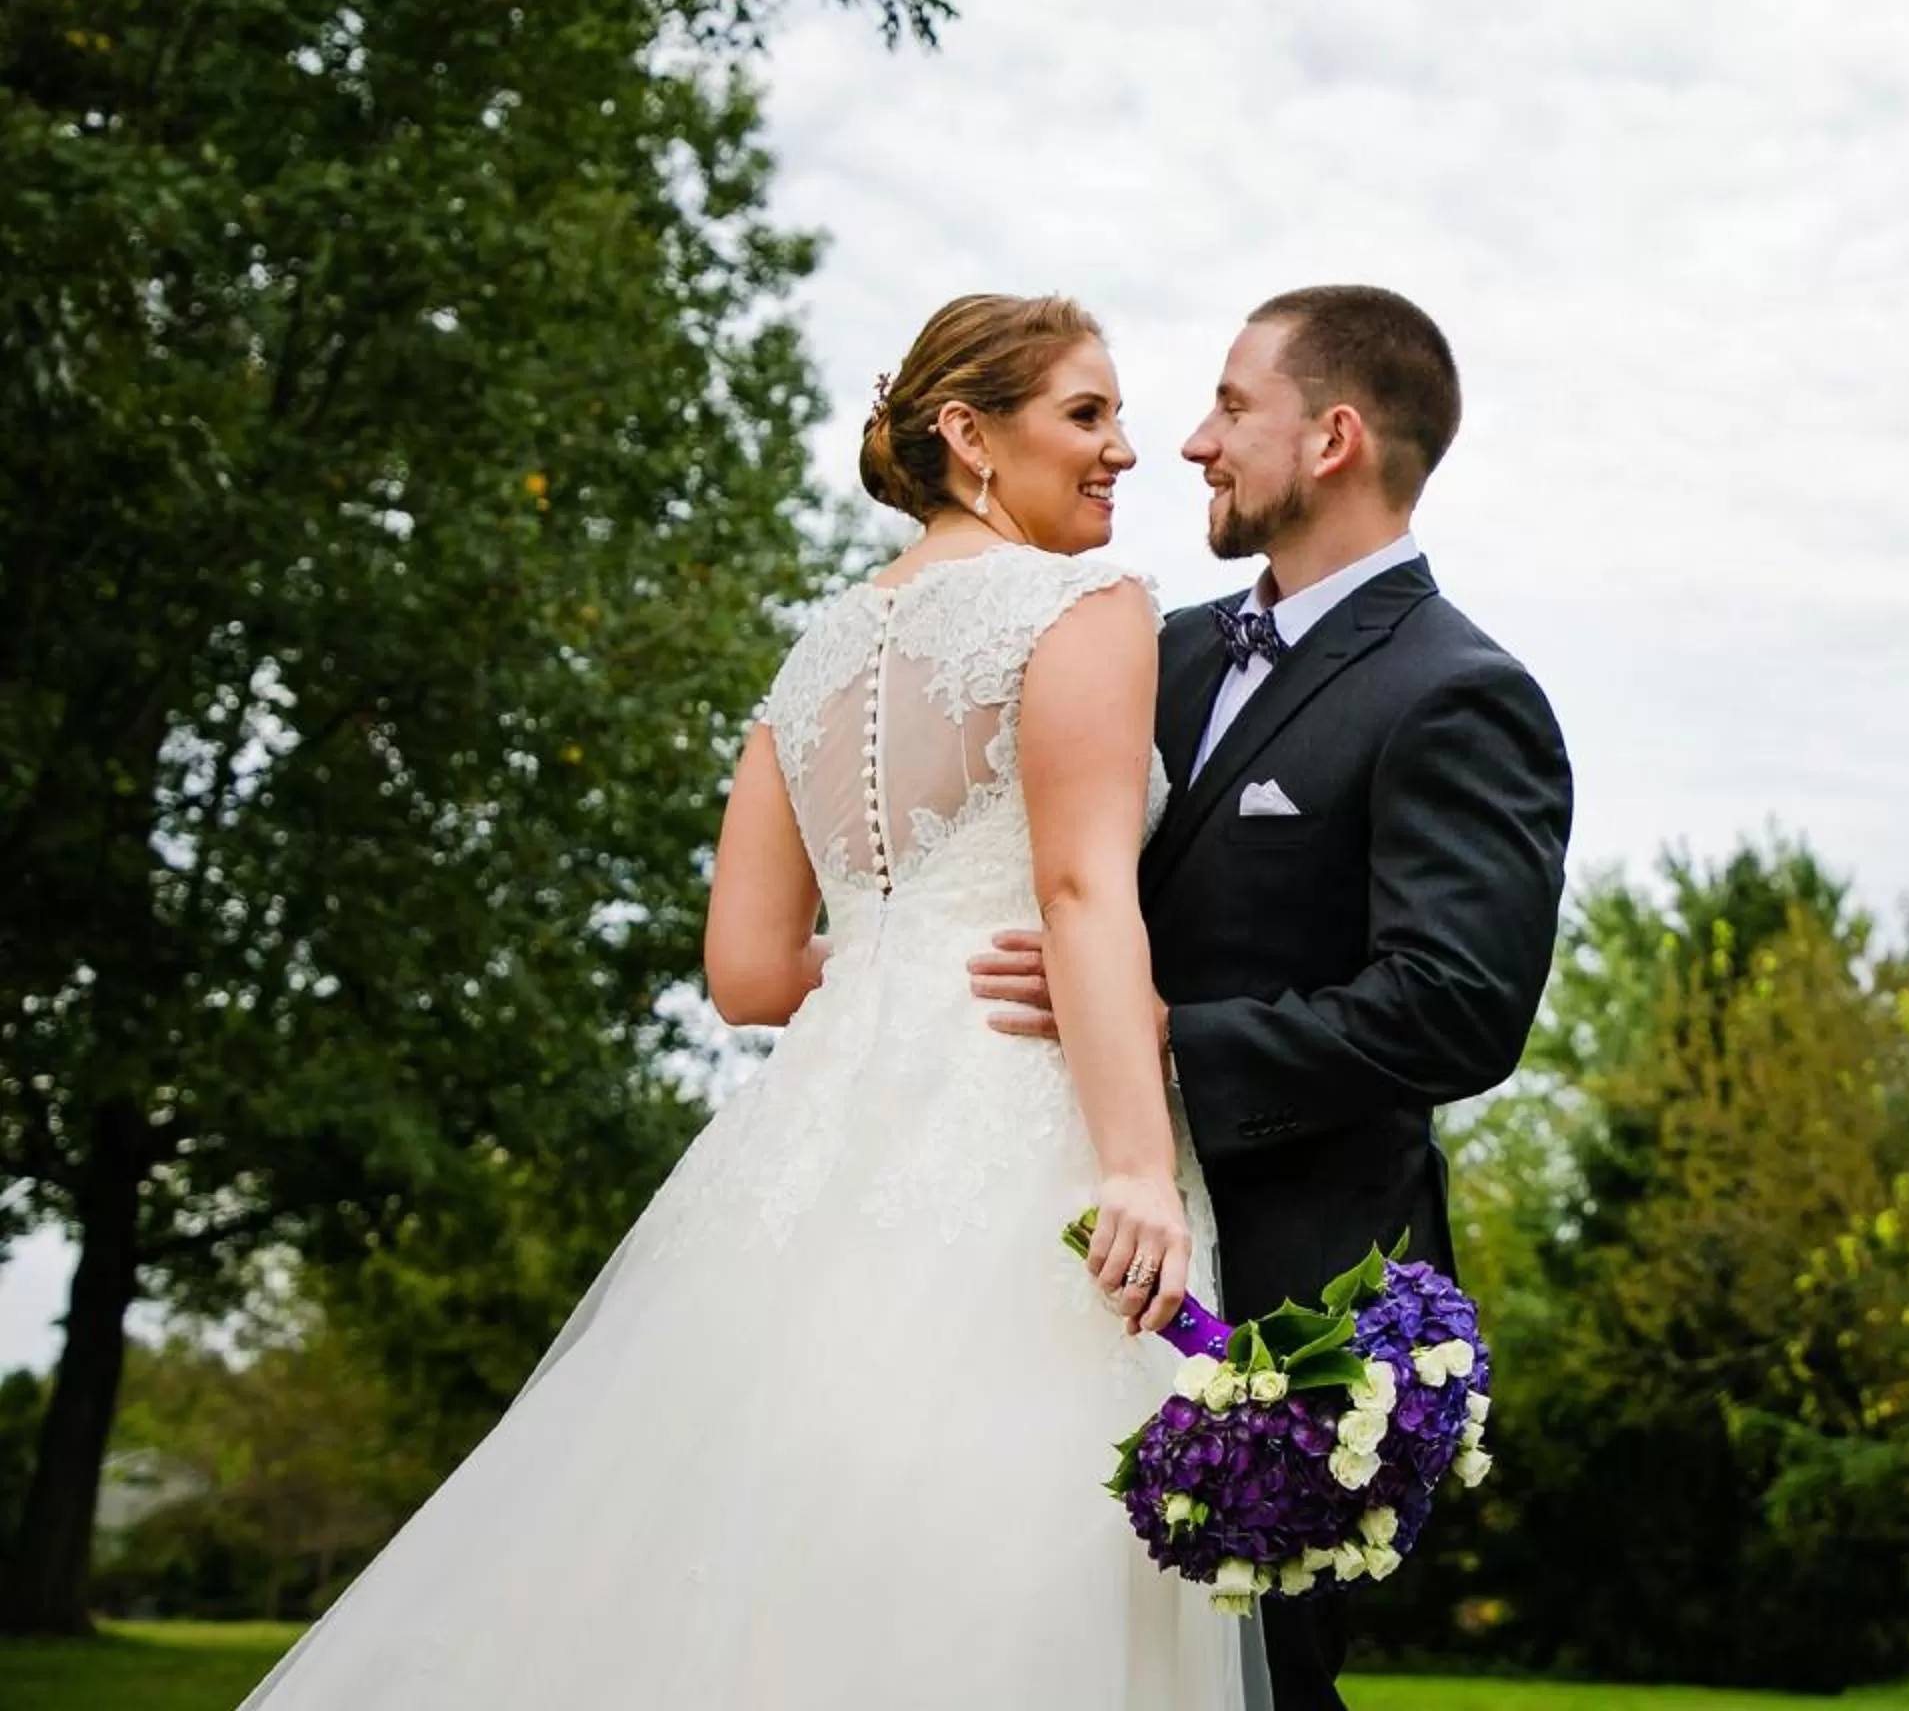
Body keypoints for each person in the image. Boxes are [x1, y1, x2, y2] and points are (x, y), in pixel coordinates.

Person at [240, 295, 1246, 1710]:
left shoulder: (815, 656)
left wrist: (897, 967)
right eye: (1087, 414)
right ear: (971, 432)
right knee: (992, 1561)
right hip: (1020, 1126)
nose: (1125, 451)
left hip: (809, 1141)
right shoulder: (1086, 607)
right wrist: (1137, 1165)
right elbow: (1085, 895)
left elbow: (748, 973)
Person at [968, 285, 1574, 1711]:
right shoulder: (1147, 650)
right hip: (1057, 1251)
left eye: (1233, 407)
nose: (1188, 442)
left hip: (1283, 1298)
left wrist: (1164, 1041)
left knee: (1249, 1680)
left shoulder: (1459, 694)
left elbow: (1455, 1009)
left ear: (1335, 440)